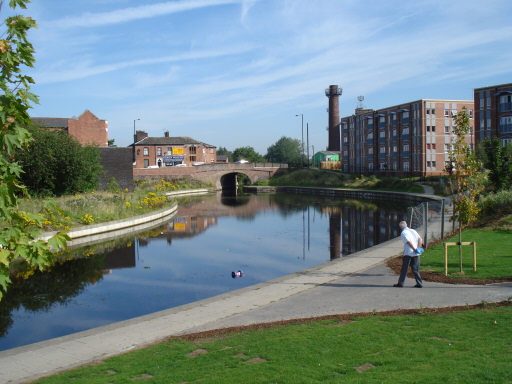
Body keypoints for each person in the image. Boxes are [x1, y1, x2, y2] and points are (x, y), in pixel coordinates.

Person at [394, 220, 423, 288]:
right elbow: (420, 239)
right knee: (415, 269)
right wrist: (418, 248)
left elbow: (408, 242)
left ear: (400, 227)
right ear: (406, 225)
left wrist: (414, 249)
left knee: (404, 268)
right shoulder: (413, 230)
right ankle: (419, 283)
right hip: (416, 253)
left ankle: (401, 283)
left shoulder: (403, 233)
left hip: (408, 252)